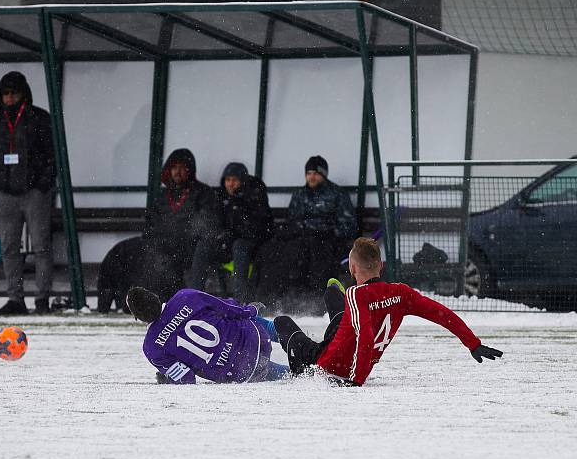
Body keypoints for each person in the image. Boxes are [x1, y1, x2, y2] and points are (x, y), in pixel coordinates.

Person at [273, 237, 503, 386]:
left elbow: (365, 336)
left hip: (327, 364)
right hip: (346, 341)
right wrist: (472, 343)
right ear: (381, 267)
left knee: (282, 322)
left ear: (353, 269)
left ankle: (330, 295)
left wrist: (355, 381)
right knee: (336, 306)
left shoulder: (356, 294)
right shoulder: (401, 293)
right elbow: (441, 313)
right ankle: (333, 293)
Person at [0, 71, 55, 315]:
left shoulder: (39, 118)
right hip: (5, 193)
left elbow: (52, 154)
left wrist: (43, 184)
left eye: (14, 93)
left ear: (24, 94)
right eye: (5, 93)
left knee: (42, 246)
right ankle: (15, 299)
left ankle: (42, 298)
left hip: (35, 193)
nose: (9, 98)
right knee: (8, 247)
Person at [126, 286, 289, 384]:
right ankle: (297, 341)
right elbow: (228, 308)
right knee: (240, 317)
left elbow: (186, 379)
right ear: (154, 296)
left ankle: (304, 372)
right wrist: (251, 310)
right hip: (254, 337)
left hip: (241, 370)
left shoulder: (151, 348)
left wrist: (167, 378)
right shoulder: (185, 296)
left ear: (138, 318)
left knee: (275, 372)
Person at [256, 155, 357, 309]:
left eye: (315, 173)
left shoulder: (337, 194)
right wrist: (304, 230)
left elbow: (348, 224)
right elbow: (292, 220)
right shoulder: (299, 195)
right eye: (309, 173)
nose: (312, 177)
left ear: (323, 174)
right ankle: (279, 298)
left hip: (328, 241)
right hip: (302, 239)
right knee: (279, 252)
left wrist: (326, 232)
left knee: (317, 252)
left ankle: (317, 300)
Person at [189, 162, 273, 301]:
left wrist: (234, 229)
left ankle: (240, 301)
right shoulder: (222, 198)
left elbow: (258, 227)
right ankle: (194, 297)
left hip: (252, 245)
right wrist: (219, 236)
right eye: (227, 180)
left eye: (234, 180)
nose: (230, 184)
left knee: (239, 246)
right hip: (227, 243)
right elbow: (215, 223)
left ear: (242, 181)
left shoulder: (254, 196)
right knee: (203, 246)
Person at [142, 148, 221, 290]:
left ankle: (193, 297)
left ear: (189, 170)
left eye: (182, 168)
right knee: (150, 249)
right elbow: (151, 224)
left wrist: (186, 233)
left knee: (200, 248)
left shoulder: (203, 192)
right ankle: (153, 298)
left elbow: (209, 223)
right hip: (168, 245)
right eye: (174, 168)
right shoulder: (162, 196)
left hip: (192, 246)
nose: (177, 172)